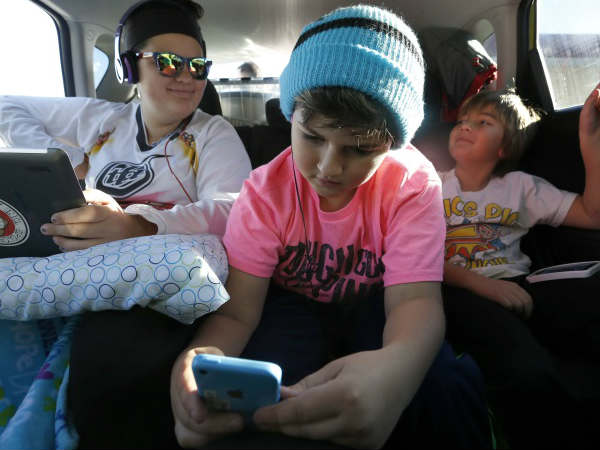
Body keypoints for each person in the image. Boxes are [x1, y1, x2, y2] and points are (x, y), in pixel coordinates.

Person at [171, 5, 492, 449]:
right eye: (313, 137)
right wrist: (198, 359)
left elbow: (414, 302)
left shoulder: (412, 185)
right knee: (260, 387)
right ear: (291, 118)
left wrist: (397, 372)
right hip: (290, 303)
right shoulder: (264, 195)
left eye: (359, 149)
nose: (328, 168)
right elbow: (238, 312)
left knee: (440, 386)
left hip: (379, 301)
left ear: (393, 144)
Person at [0, 0, 251, 250]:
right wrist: (72, 163)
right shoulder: (102, 118)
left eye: (198, 66)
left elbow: (230, 209)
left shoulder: (212, 133)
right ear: (129, 68)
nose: (186, 77)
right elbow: (5, 106)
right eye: (168, 63)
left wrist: (137, 225)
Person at [440, 85, 600, 448]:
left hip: (520, 283)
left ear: (504, 147)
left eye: (483, 122)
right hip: (457, 290)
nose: (464, 126)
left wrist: (589, 139)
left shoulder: (521, 188)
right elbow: (418, 258)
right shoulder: (431, 185)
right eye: (463, 120)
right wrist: (484, 286)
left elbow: (592, 214)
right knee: (527, 367)